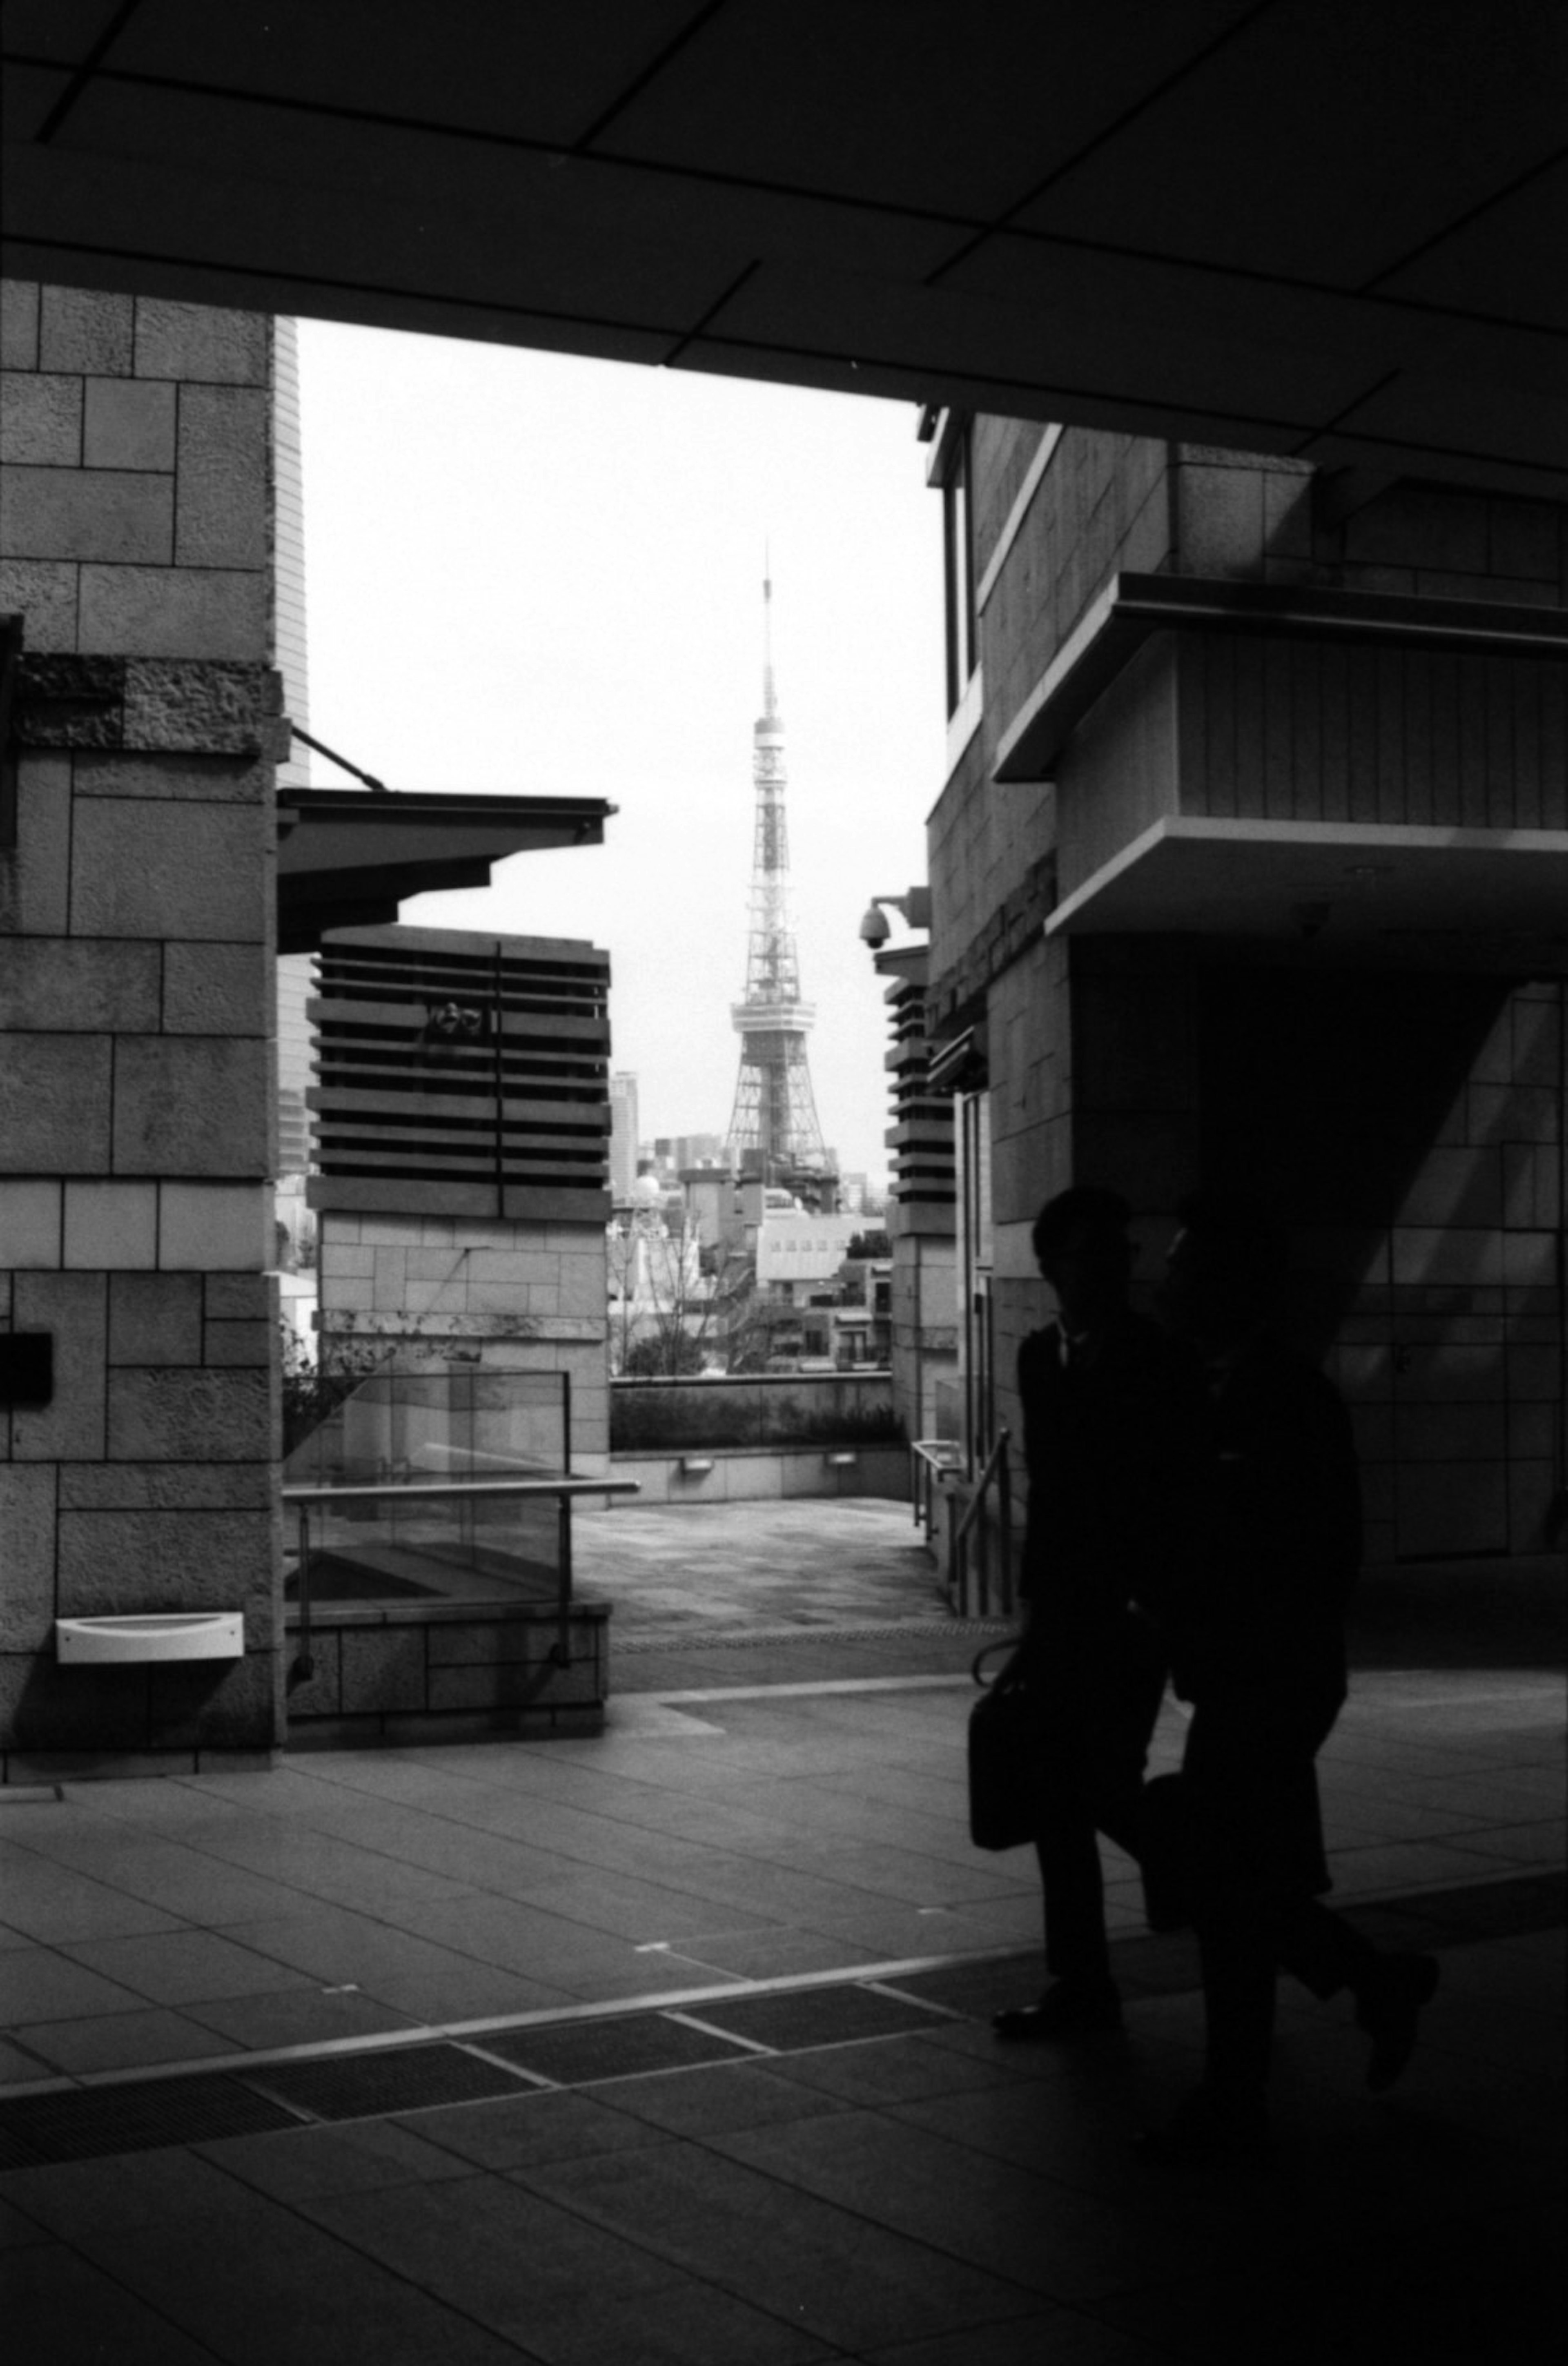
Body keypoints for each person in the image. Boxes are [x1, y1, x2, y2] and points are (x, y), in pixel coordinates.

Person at [1141, 1192, 1439, 2158]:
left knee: (1229, 1889)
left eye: (1184, 1266)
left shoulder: (1287, 1397)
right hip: (1238, 1676)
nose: (1167, 1282)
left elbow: (1320, 1551)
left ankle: (1239, 2092)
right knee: (1244, 1880)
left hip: (1271, 1678)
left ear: (1227, 1283)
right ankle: (1376, 1985)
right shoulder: (1206, 1386)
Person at [993, 1185, 1203, 2043]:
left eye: (1120, 1256)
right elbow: (1050, 1494)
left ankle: (1251, 1904)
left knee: (1099, 1788)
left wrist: (1158, 1606)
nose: (1113, 1271)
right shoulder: (1040, 1359)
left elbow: (1173, 1493)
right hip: (1066, 1610)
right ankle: (1081, 1979)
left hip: (1129, 1614)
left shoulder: (1158, 1357)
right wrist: (1034, 1615)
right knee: (1061, 1795)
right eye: (1092, 1256)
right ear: (1051, 1267)